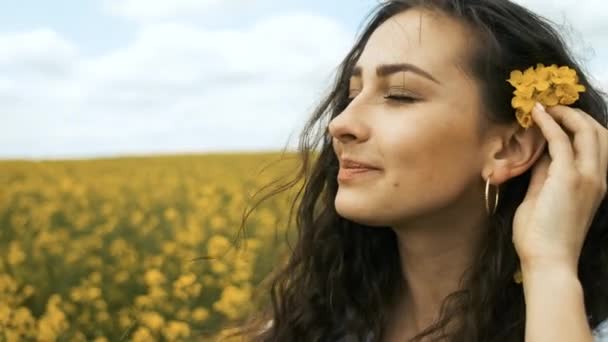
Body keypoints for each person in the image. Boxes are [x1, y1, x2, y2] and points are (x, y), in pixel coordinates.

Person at [227, 0, 608, 341]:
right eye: (352, 93)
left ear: (511, 148)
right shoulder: (302, 326)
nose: (340, 123)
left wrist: (549, 267)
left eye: (399, 95)